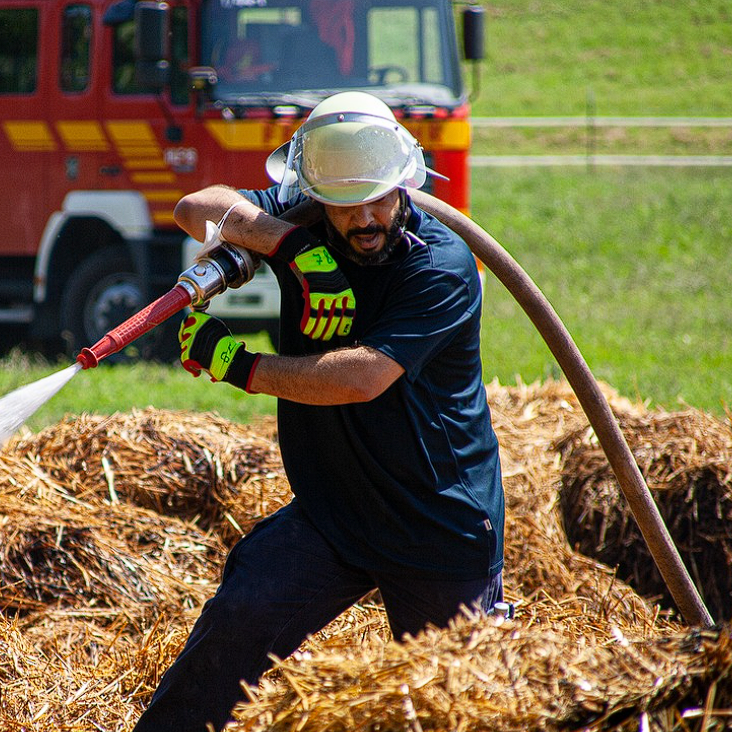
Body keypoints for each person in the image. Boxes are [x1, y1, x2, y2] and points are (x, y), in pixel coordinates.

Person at [133, 91, 505, 732]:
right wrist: (291, 247)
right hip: (335, 512)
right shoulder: (307, 218)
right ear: (316, 193)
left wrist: (238, 364)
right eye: (343, 202)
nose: (363, 217)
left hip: (437, 521)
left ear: (404, 183)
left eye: (377, 199)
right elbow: (195, 209)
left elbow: (362, 379)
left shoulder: (440, 266)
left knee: (454, 706)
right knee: (242, 613)